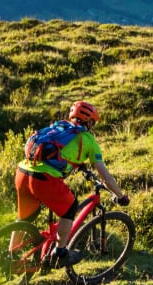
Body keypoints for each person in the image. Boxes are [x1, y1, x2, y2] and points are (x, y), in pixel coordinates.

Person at [14, 100, 128, 267]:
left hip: (22, 173)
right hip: (44, 179)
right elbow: (105, 177)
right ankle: (60, 253)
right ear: (89, 122)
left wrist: (78, 163)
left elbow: (59, 152)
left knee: (25, 219)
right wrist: (120, 196)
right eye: (93, 123)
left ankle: (9, 255)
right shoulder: (88, 140)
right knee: (70, 207)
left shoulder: (59, 126)